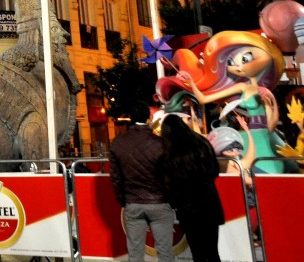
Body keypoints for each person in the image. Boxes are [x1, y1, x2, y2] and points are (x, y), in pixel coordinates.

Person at [160, 30, 286, 173]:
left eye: (246, 58)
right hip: (251, 133)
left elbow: (272, 120)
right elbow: (204, 99)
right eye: (231, 62)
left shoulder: (263, 92)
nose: (238, 66)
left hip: (263, 134)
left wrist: (268, 123)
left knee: (271, 167)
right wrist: (191, 83)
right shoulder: (241, 87)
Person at [108, 102, 174, 262]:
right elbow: (169, 175)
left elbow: (116, 178)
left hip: (132, 203)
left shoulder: (118, 143)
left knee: (135, 253)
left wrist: (123, 200)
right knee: (165, 252)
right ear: (149, 118)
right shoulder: (161, 143)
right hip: (159, 202)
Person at [160, 115, 224, 262]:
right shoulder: (201, 142)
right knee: (212, 251)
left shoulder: (170, 151)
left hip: (188, 208)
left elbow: (168, 183)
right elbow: (214, 171)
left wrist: (174, 203)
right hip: (209, 203)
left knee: (198, 252)